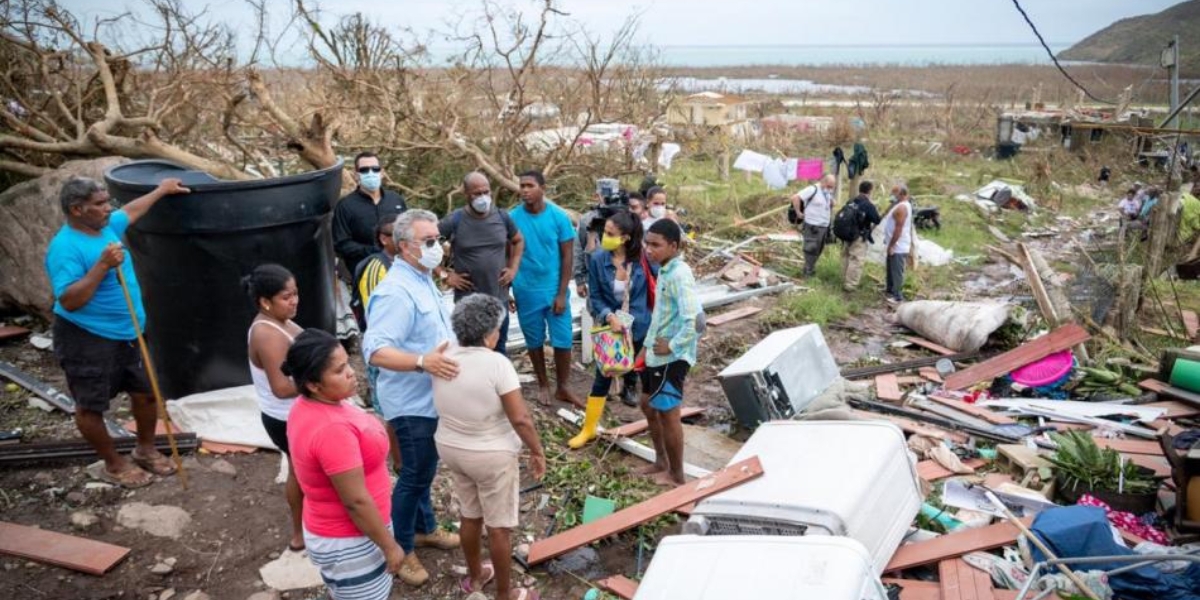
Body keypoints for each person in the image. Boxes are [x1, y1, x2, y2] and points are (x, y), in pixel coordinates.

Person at [45, 176, 189, 488]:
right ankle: (113, 463)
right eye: (100, 204)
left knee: (147, 394)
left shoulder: (106, 226)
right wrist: (102, 266)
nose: (108, 208)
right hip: (87, 337)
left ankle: (145, 448)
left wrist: (161, 190)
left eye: (107, 201)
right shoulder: (65, 248)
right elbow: (69, 300)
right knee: (90, 405)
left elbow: (132, 211)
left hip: (130, 331)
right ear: (77, 209)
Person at [362, 209, 462, 587]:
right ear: (404, 247)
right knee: (414, 476)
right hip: (410, 403)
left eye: (439, 239)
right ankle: (401, 548)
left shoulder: (423, 279)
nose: (439, 247)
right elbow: (375, 351)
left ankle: (425, 528)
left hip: (431, 397)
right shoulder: (394, 292)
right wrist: (423, 362)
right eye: (430, 242)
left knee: (424, 472)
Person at [432, 294, 546, 600]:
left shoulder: (443, 354)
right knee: (498, 528)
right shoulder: (498, 365)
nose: (499, 334)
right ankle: (505, 594)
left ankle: (476, 577)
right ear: (487, 334)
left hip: (451, 448)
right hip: (490, 454)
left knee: (471, 516)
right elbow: (520, 418)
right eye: (497, 329)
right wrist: (536, 450)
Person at [284, 329, 403, 600]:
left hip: (338, 533)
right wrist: (389, 546)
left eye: (347, 363)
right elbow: (355, 501)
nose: (351, 372)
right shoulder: (332, 429)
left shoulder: (307, 405)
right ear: (314, 384)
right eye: (339, 370)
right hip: (351, 541)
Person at [570, 212, 657, 449]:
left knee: (649, 376)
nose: (604, 237)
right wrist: (609, 316)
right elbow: (596, 297)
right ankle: (588, 429)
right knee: (602, 376)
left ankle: (657, 425)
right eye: (604, 232)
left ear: (626, 238)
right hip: (613, 330)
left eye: (610, 234)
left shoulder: (645, 259)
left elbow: (659, 287)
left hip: (640, 327)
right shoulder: (598, 259)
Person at [244, 264, 306, 552]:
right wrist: (320, 382)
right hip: (286, 417)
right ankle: (299, 534)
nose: (293, 301)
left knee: (305, 472)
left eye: (295, 294)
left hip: (293, 413)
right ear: (265, 302)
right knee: (300, 473)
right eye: (286, 297)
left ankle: (308, 528)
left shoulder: (281, 321)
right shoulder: (267, 334)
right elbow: (281, 388)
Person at [509, 170, 583, 408]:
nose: (525, 190)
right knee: (534, 339)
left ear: (542, 188)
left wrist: (562, 292)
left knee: (562, 339)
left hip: (553, 288)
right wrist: (507, 288)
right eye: (522, 186)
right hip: (525, 289)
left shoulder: (558, 217)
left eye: (530, 185)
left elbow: (567, 256)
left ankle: (563, 386)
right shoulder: (512, 219)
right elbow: (506, 253)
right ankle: (543, 384)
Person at [639, 219, 701, 486]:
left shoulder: (679, 275)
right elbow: (661, 315)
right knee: (646, 404)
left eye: (656, 245)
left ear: (673, 246)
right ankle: (661, 460)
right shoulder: (665, 268)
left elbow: (696, 321)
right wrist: (644, 349)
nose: (648, 250)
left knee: (668, 412)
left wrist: (672, 346)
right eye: (647, 243)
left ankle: (677, 474)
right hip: (655, 354)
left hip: (671, 358)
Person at [440, 171, 525, 355]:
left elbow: (518, 240)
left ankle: (500, 384)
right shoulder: (455, 220)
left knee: (499, 349)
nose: (483, 198)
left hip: (498, 299)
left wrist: (513, 268)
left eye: (486, 192)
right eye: (476, 193)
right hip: (469, 303)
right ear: (466, 194)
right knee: (472, 352)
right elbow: (426, 244)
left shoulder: (502, 217)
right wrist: (445, 275)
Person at [350, 213, 403, 473]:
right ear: (383, 238)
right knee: (390, 406)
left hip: (402, 347)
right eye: (396, 232)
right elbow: (377, 316)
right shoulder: (376, 267)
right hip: (385, 348)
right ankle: (397, 461)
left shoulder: (403, 263)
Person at [332, 151, 408, 279]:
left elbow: (408, 232)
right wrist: (374, 251)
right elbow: (341, 244)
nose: (371, 173)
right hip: (365, 274)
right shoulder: (345, 206)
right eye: (364, 170)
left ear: (382, 172)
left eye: (375, 169)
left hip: (400, 271)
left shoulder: (396, 200)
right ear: (356, 175)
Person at [791, 174, 837, 277]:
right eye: (829, 186)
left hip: (824, 226)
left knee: (818, 250)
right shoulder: (813, 189)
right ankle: (808, 273)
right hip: (813, 226)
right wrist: (798, 212)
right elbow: (795, 198)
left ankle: (809, 269)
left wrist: (831, 202)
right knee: (810, 250)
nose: (830, 189)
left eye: (832, 187)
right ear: (823, 182)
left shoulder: (826, 193)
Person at [841, 180, 882, 293]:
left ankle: (844, 279)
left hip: (846, 234)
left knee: (846, 257)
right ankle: (850, 285)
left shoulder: (851, 201)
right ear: (870, 190)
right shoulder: (868, 204)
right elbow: (877, 219)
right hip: (859, 236)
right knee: (856, 260)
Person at [882, 186, 914, 304]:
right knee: (890, 268)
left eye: (894, 194)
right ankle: (890, 290)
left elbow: (898, 229)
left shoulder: (902, 208)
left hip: (898, 245)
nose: (893, 196)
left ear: (901, 194)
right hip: (894, 244)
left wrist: (892, 245)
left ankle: (897, 296)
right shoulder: (901, 204)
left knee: (897, 271)